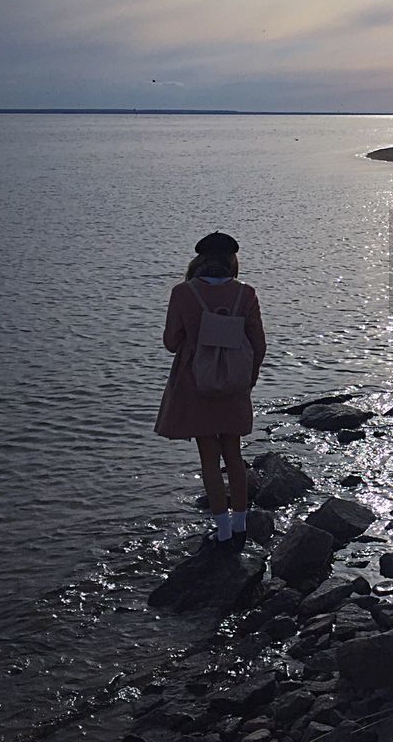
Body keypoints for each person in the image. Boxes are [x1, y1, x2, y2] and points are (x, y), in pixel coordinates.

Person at [155, 231, 266, 552]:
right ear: (232, 261)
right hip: (235, 383)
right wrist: (249, 378)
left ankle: (222, 530)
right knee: (234, 454)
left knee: (209, 458)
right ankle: (242, 523)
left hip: (195, 383)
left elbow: (171, 343)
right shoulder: (246, 294)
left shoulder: (183, 293)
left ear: (200, 261)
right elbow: (259, 343)